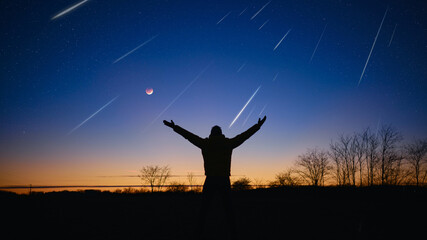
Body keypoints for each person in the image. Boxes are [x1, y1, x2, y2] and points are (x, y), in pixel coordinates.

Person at [163, 116, 267, 239]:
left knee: (204, 209)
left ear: (211, 133)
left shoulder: (205, 143)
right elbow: (244, 136)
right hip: (224, 180)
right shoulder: (228, 143)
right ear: (221, 133)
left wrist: (175, 127)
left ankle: (198, 233)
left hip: (211, 179)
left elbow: (188, 136)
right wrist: (257, 126)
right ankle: (234, 233)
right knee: (228, 208)